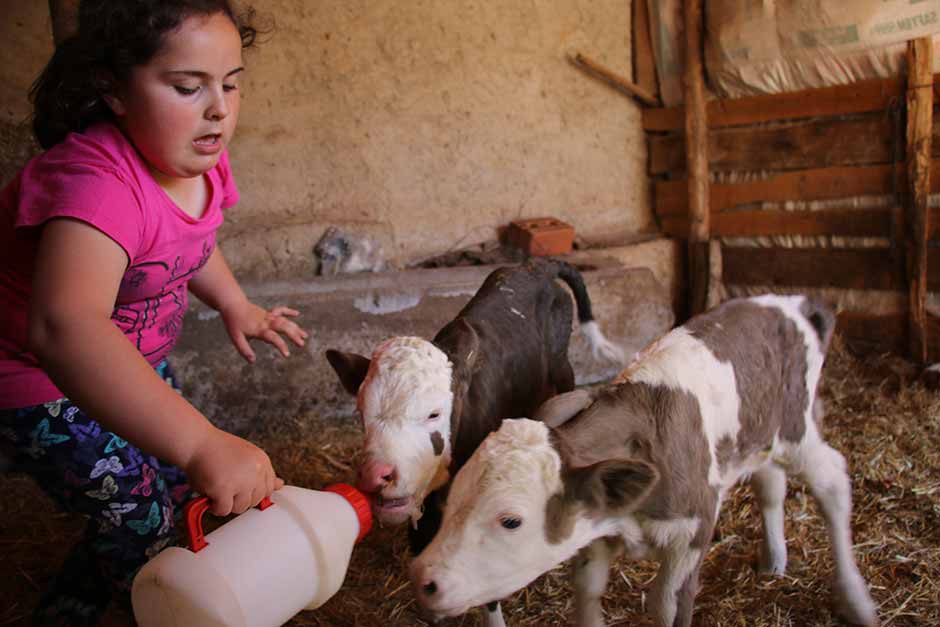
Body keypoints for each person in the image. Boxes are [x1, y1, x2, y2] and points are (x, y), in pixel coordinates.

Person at [0, 1, 307, 624]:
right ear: (113, 90)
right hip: (39, 380)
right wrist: (199, 441)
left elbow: (193, 239)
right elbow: (66, 327)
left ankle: (95, 591)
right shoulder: (97, 186)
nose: (219, 107)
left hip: (128, 360)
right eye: (189, 87)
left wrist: (234, 303)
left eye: (231, 83)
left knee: (162, 490)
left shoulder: (195, 156)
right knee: (145, 518)